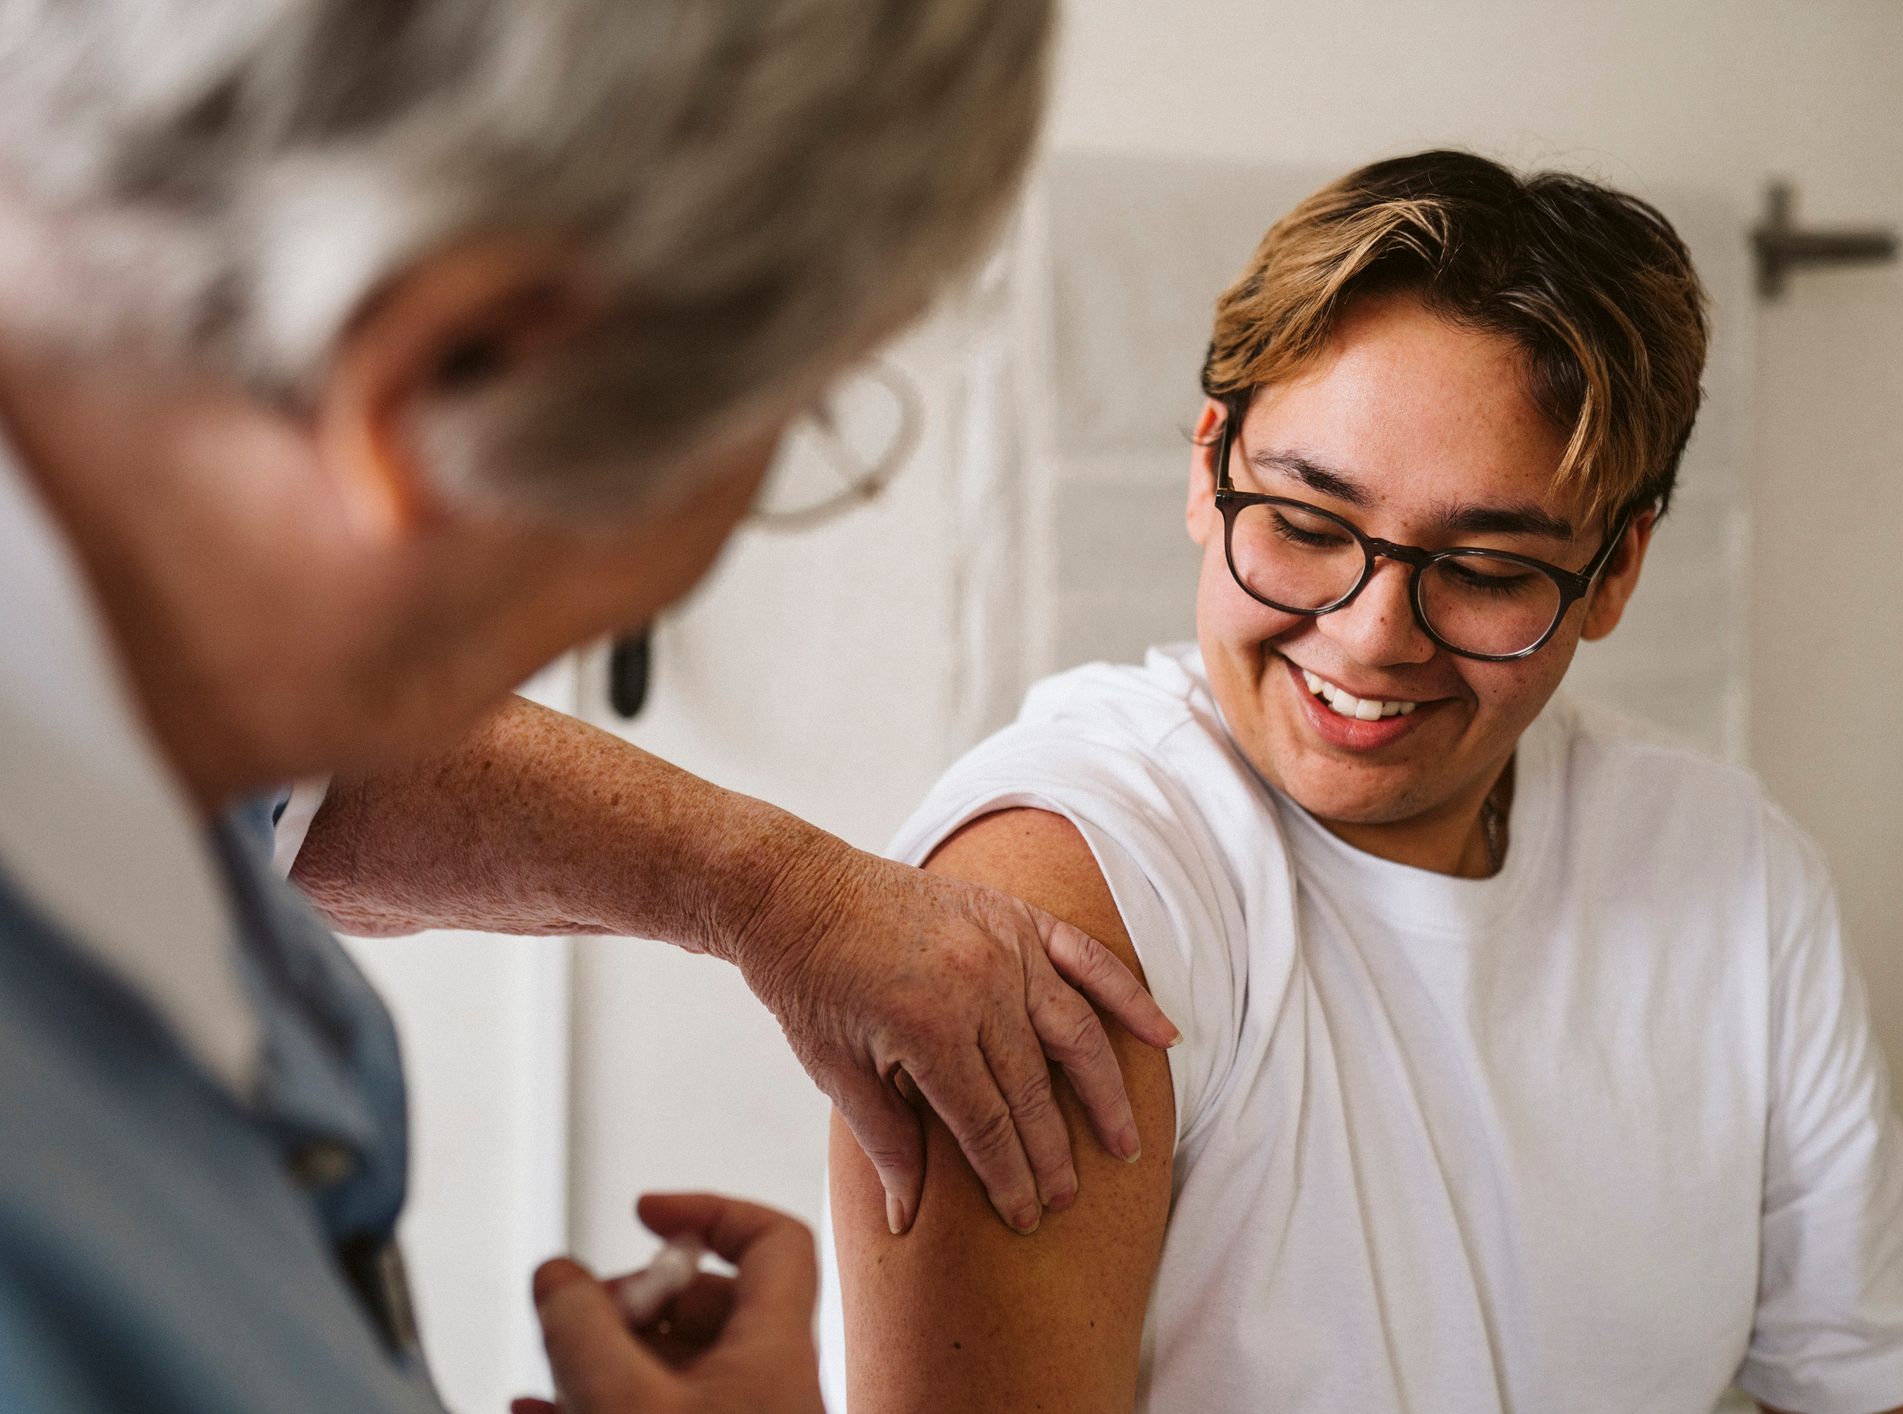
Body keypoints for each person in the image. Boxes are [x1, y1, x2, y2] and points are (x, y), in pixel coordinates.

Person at [0, 2, 1177, 1411]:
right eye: (793, 420)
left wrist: (771, 890)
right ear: (453, 376)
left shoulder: (147, 685)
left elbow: (303, 776)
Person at [826, 152, 1903, 1413]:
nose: (1374, 636)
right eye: (1309, 525)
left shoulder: (1728, 867)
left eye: (1485, 567)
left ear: (1615, 572)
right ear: (1210, 470)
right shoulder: (1070, 882)